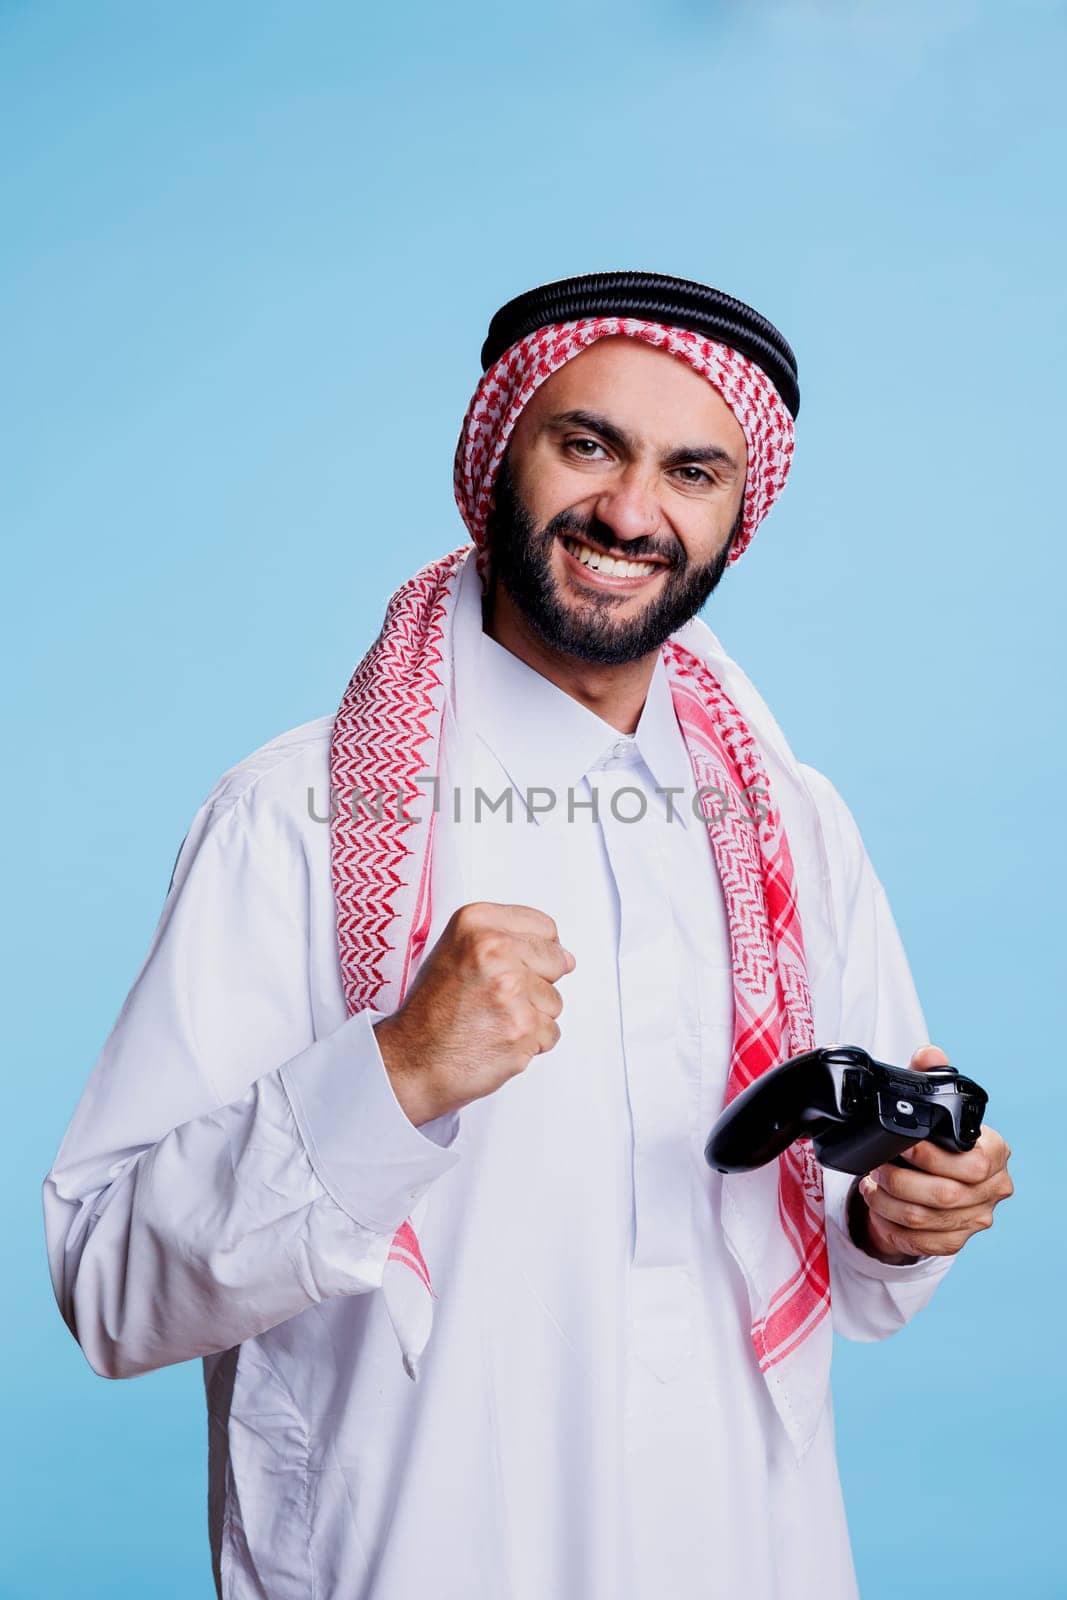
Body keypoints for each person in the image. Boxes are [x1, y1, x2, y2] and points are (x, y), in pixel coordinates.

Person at [43, 270, 1013, 1600]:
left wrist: (903, 1217)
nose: (631, 510)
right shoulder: (301, 816)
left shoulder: (795, 831)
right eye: (587, 445)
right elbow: (108, 1285)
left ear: (740, 518)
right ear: (495, 456)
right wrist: (388, 1077)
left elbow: (833, 1244)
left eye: (691, 471)